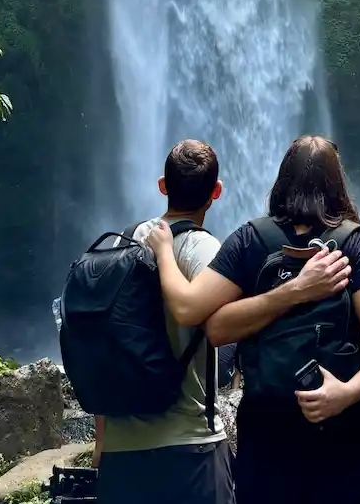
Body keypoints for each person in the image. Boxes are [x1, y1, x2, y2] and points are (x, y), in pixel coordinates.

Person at [147, 136, 360, 504]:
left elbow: (213, 326)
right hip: (347, 437)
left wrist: (164, 250)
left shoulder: (250, 240)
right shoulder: (352, 244)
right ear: (337, 184)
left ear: (281, 180)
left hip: (268, 436)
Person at [93, 139, 234, 504]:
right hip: (189, 447)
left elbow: (101, 343)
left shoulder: (118, 246)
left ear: (162, 186)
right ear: (215, 192)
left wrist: (101, 440)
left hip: (122, 453)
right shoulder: (203, 249)